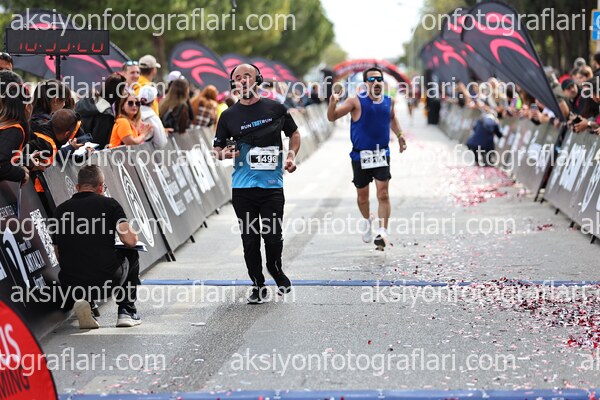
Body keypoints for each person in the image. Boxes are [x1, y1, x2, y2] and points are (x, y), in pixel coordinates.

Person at [213, 63, 301, 304]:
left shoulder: (276, 109)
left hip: (271, 186)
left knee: (272, 236)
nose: (242, 80)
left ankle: (276, 269)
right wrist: (225, 153)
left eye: (247, 76)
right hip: (243, 189)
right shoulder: (228, 116)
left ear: (258, 79)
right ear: (233, 84)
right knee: (250, 239)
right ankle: (258, 284)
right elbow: (217, 150)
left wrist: (291, 155)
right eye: (237, 77)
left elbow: (294, 134)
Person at [327, 67, 406, 251]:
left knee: (383, 194)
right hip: (360, 155)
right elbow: (332, 117)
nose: (376, 82)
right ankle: (367, 219)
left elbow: (391, 118)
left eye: (379, 79)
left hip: (381, 154)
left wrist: (400, 135)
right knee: (362, 197)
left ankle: (382, 232)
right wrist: (332, 103)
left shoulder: (389, 101)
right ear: (366, 83)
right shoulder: (355, 101)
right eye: (372, 79)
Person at [52, 165, 141, 329]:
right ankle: (126, 311)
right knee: (132, 253)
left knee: (78, 256)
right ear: (101, 187)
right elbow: (130, 241)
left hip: (71, 284)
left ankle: (87, 304)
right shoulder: (110, 205)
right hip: (106, 282)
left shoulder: (60, 210)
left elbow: (58, 254)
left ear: (77, 187)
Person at [76, 73, 127, 149]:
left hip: (74, 146)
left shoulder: (86, 100)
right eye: (124, 89)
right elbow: (100, 143)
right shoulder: (106, 114)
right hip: (90, 152)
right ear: (118, 92)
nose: (125, 92)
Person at [0, 70, 32, 184]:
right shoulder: (14, 130)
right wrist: (21, 174)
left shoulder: (7, 126)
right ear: (27, 107)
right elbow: (1, 164)